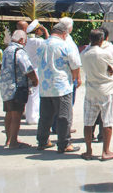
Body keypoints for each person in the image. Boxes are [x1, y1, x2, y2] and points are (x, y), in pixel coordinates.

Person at [36, 22, 81, 153]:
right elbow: (75, 63)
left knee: (45, 116)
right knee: (64, 116)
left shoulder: (42, 44)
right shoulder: (65, 45)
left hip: (45, 86)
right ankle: (64, 143)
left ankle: (42, 141)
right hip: (61, 86)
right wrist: (75, 78)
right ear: (64, 33)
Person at [80, 29, 113, 161]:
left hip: (90, 88)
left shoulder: (84, 53)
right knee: (107, 121)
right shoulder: (104, 53)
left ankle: (88, 150)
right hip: (105, 89)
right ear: (101, 40)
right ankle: (106, 151)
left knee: (88, 122)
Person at [0, 30, 38, 149]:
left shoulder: (7, 50)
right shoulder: (19, 51)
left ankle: (8, 139)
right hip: (17, 87)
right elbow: (27, 68)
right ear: (21, 40)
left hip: (6, 86)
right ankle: (14, 141)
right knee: (17, 115)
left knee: (9, 113)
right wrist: (35, 80)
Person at [24, 21, 49, 124]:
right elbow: (50, 43)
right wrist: (46, 32)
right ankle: (32, 117)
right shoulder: (36, 41)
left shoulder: (28, 40)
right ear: (37, 30)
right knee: (34, 94)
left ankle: (31, 115)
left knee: (31, 94)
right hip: (36, 69)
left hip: (29, 68)